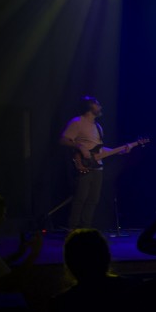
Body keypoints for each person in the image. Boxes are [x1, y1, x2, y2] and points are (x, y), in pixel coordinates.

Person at [58, 95, 131, 229]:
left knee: (93, 200)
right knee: (80, 198)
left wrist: (118, 150)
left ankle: (86, 227)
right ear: (90, 107)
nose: (100, 107)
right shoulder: (77, 122)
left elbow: (99, 148)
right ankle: (73, 228)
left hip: (98, 168)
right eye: (97, 104)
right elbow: (64, 140)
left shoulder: (98, 127)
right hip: (84, 165)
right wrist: (79, 146)